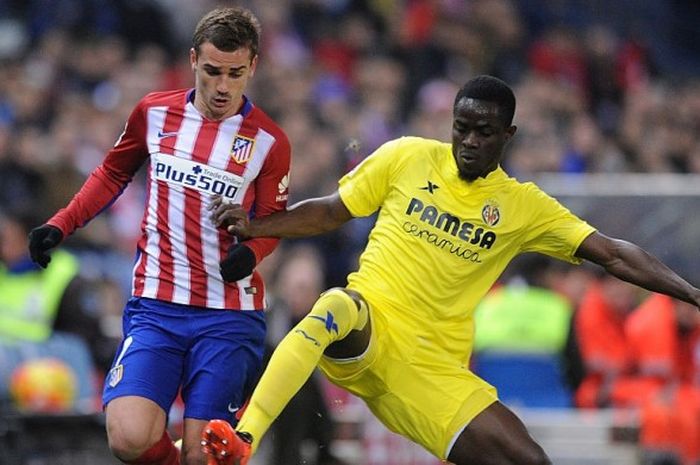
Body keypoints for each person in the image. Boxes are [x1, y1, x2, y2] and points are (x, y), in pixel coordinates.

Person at [202, 75, 700, 465]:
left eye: (484, 133)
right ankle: (243, 438)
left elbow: (611, 253)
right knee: (334, 303)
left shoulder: (523, 206)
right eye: (461, 127)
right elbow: (333, 210)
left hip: (434, 371)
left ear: (509, 135)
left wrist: (692, 293)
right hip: (368, 328)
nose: (468, 141)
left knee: (529, 459)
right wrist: (257, 225)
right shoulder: (406, 157)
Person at [26, 7, 291, 465]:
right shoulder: (154, 112)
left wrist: (251, 252)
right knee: (128, 435)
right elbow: (112, 173)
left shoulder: (269, 142)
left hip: (227, 316)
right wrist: (61, 222)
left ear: (253, 67)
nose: (223, 86)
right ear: (192, 61)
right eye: (212, 71)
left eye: (234, 73)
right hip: (156, 306)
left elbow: (273, 221)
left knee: (204, 455)